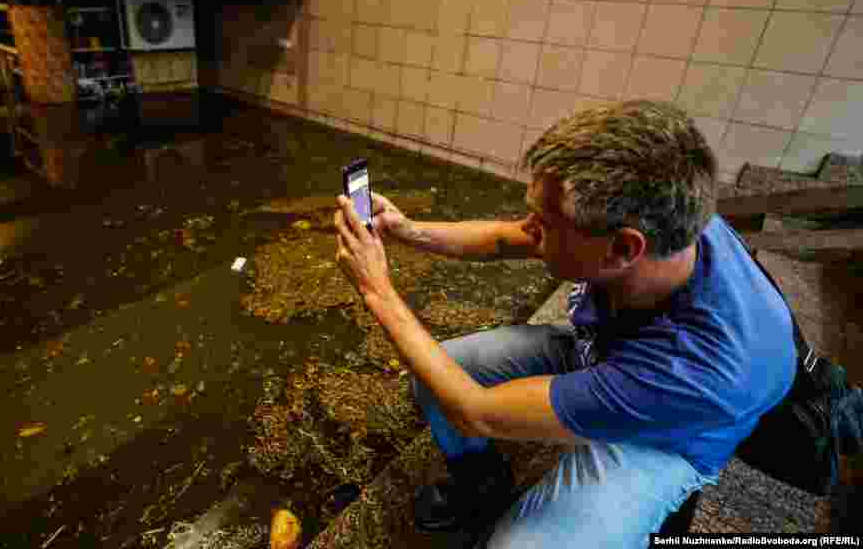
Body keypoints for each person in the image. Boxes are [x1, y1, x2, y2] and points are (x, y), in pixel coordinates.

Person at [332, 100, 797, 548]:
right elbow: (505, 239)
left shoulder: (699, 367)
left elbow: (475, 410)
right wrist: (410, 230)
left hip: (664, 433)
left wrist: (377, 289)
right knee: (444, 369)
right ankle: (481, 479)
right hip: (607, 350)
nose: (529, 228)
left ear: (622, 249)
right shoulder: (664, 218)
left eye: (546, 223)